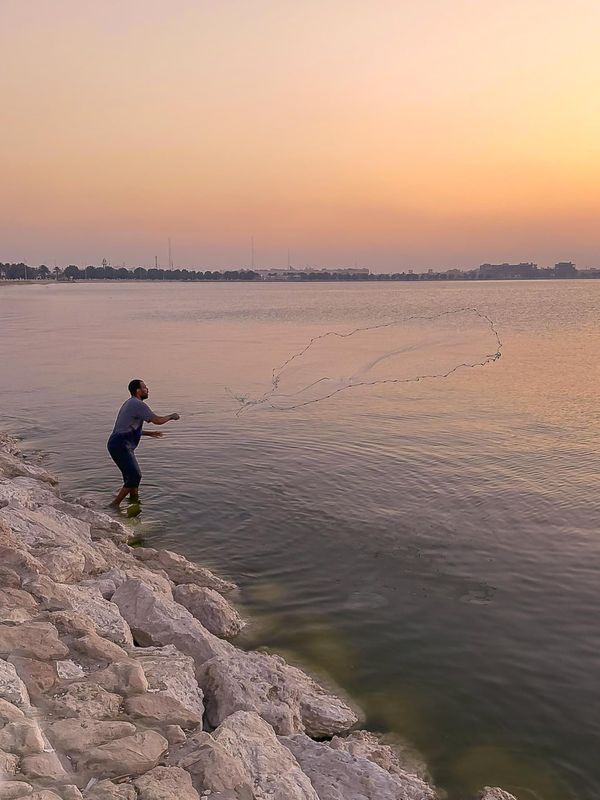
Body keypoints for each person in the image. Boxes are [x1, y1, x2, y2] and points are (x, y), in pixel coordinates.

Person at [107, 379, 179, 509]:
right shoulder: (138, 404)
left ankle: (133, 504)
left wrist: (150, 433)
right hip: (121, 445)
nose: (147, 389)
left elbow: (127, 428)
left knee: (131, 481)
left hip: (117, 444)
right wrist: (171, 416)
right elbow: (157, 420)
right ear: (138, 391)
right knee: (135, 476)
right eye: (145, 387)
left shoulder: (129, 403)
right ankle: (114, 505)